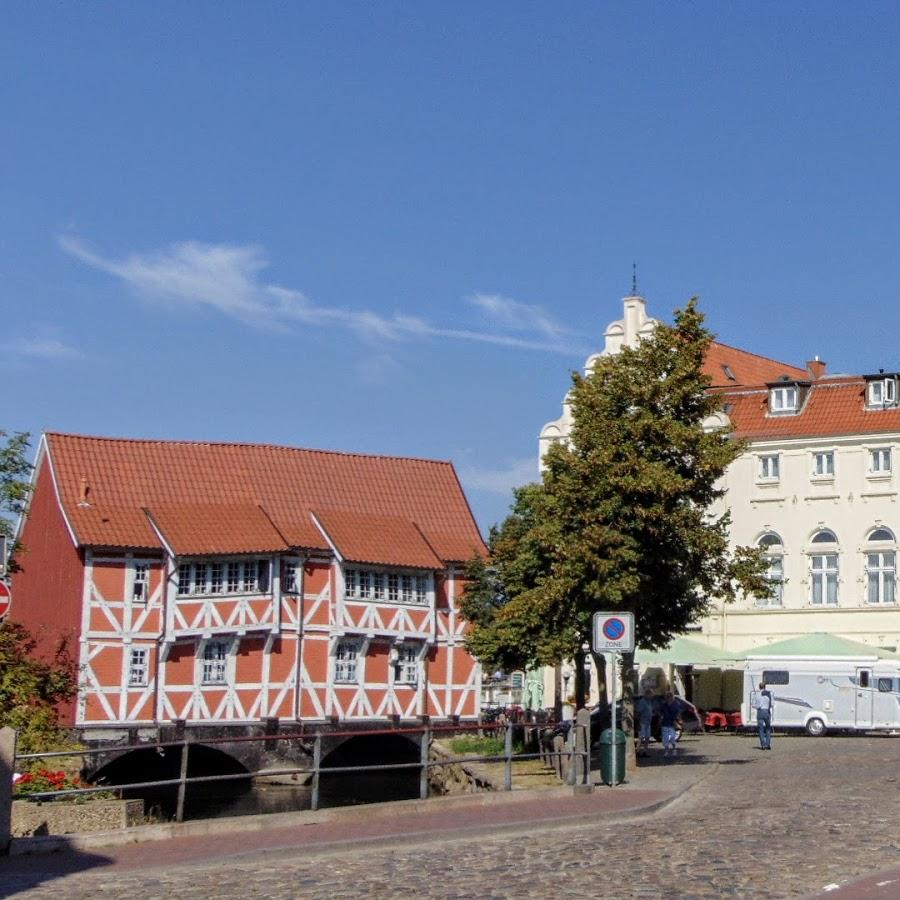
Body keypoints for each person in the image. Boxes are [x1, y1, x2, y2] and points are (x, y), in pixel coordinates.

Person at [752, 682, 774, 750]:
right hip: (767, 712)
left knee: (761, 729)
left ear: (759, 687)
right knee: (768, 728)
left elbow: (753, 705)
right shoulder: (769, 694)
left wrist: (757, 707)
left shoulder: (757, 694)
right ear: (765, 687)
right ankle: (768, 744)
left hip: (760, 712)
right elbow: (772, 704)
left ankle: (763, 745)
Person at [660, 691, 681, 758]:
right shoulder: (664, 705)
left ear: (672, 697)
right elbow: (660, 712)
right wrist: (661, 717)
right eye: (667, 697)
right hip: (665, 723)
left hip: (672, 723)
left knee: (672, 737)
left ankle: (674, 749)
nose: (669, 698)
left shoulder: (676, 704)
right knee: (665, 738)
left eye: (670, 697)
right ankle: (666, 751)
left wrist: (677, 721)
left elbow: (678, 713)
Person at [635, 689, 655, 756]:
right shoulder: (642, 702)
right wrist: (638, 722)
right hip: (642, 722)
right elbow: (638, 712)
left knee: (647, 737)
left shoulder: (649, 702)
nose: (652, 696)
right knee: (641, 737)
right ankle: (637, 750)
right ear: (647, 694)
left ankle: (645, 751)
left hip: (648, 723)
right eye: (651, 695)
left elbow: (650, 711)